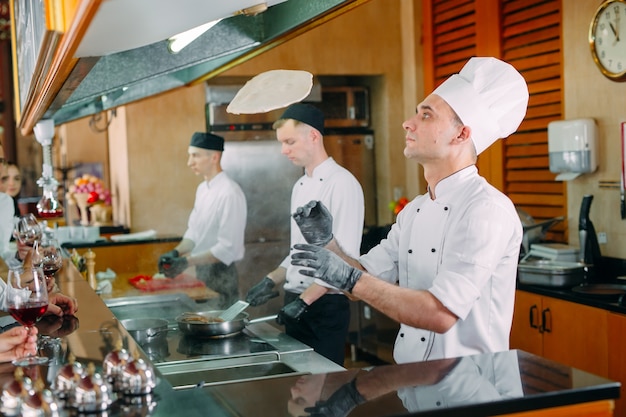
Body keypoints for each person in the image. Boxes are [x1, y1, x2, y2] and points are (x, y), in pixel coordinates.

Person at [290, 57, 529, 364]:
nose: (408, 122)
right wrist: (328, 242)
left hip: (472, 391)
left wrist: (350, 279)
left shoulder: (485, 210)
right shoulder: (414, 210)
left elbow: (440, 313)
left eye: (426, 116)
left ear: (461, 135)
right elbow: (364, 278)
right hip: (414, 384)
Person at [245, 103, 365, 366]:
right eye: (281, 143)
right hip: (296, 301)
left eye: (289, 141)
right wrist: (271, 279)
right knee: (298, 391)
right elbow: (297, 251)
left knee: (320, 393)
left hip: (323, 307)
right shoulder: (300, 185)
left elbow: (343, 263)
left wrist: (304, 301)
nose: (283, 150)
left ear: (313, 136)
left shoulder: (343, 184)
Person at [157, 132, 247, 309]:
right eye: (190, 155)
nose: (189, 162)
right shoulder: (202, 189)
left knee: (220, 327)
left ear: (214, 157)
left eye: (195, 155)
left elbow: (227, 248)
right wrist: (175, 253)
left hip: (222, 275)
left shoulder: (230, 193)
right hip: (202, 273)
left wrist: (186, 262)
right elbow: (194, 232)